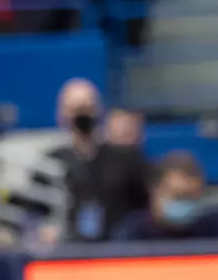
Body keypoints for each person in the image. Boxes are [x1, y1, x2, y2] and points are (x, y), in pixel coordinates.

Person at [46, 78, 150, 241]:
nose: (82, 116)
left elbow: (145, 204)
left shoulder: (126, 158)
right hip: (69, 252)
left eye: (88, 108)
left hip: (118, 249)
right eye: (76, 110)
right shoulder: (50, 164)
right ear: (61, 115)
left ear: (99, 111)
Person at [112, 149, 218, 240]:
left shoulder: (213, 231)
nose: (185, 203)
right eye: (178, 196)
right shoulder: (132, 233)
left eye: (191, 197)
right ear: (155, 190)